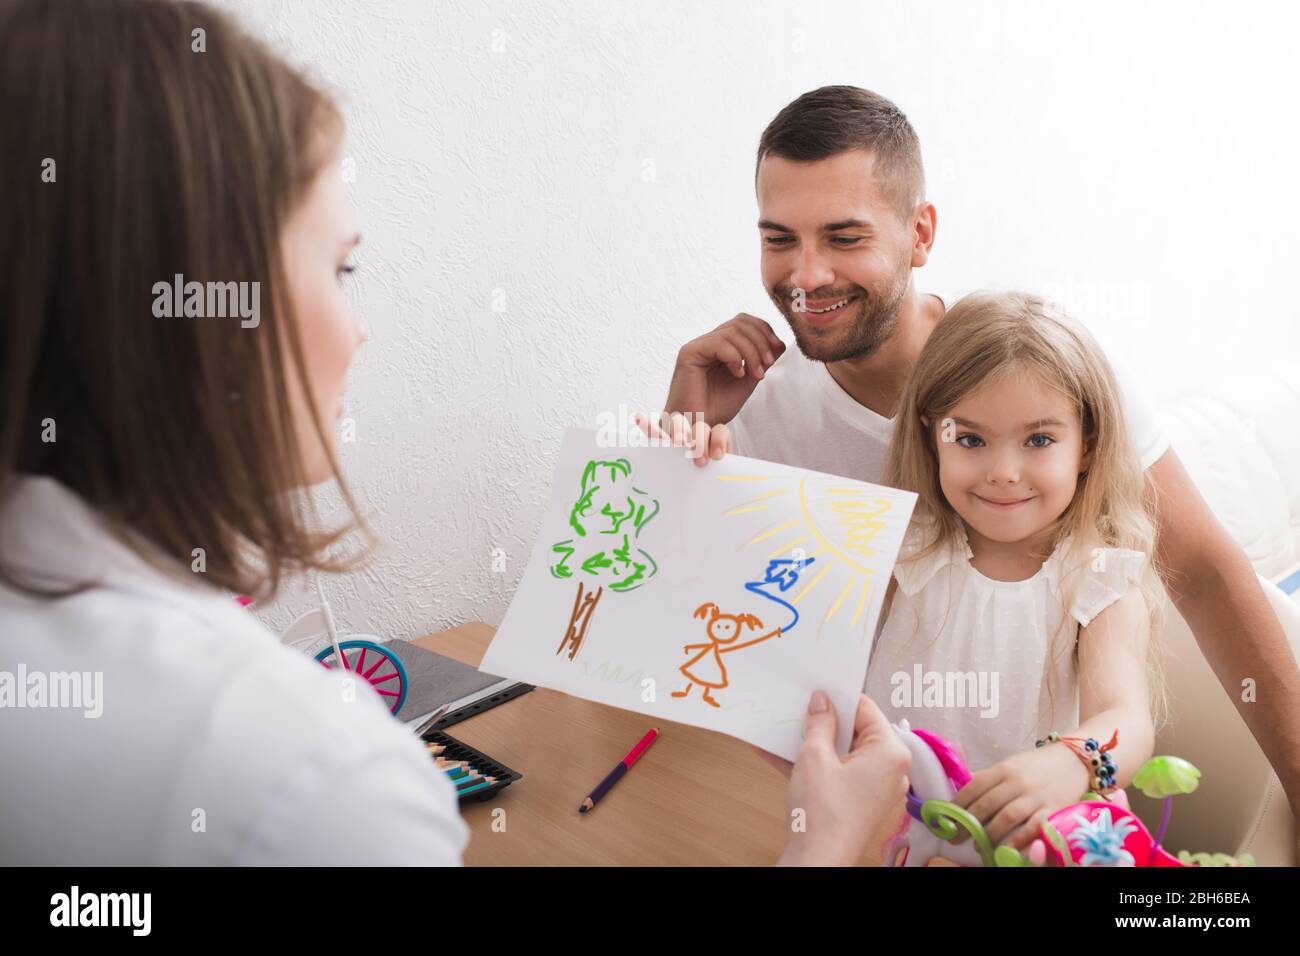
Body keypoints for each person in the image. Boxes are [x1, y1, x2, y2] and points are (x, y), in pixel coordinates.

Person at [0, 0, 906, 866]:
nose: (805, 274)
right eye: (339, 267)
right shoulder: (322, 782)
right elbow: (656, 642)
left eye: (844, 235)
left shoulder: (1006, 390)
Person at [662, 85, 1300, 850]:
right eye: (779, 238)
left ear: (920, 233)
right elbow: (692, 644)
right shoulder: (759, 419)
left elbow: (1202, 573)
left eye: (843, 236)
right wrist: (681, 438)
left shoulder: (1046, 368)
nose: (806, 274)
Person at [864, 290, 1163, 850]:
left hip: (1026, 846)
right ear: (933, 436)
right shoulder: (901, 545)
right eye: (971, 439)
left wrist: (1071, 763)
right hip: (890, 836)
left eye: (1039, 440)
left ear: (1087, 447)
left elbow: (1129, 720)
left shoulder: (1099, 579)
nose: (1004, 472)